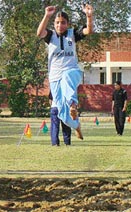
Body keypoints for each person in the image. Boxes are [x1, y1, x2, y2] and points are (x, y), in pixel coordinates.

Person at [36, 3, 94, 140]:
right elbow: (39, 33)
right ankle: (77, 126)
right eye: (57, 23)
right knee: (62, 114)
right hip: (55, 77)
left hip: (71, 72)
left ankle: (73, 104)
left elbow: (88, 31)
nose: (59, 26)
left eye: (63, 23)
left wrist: (89, 16)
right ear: (54, 24)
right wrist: (46, 15)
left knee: (67, 76)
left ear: (67, 24)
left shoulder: (72, 34)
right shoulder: (50, 36)